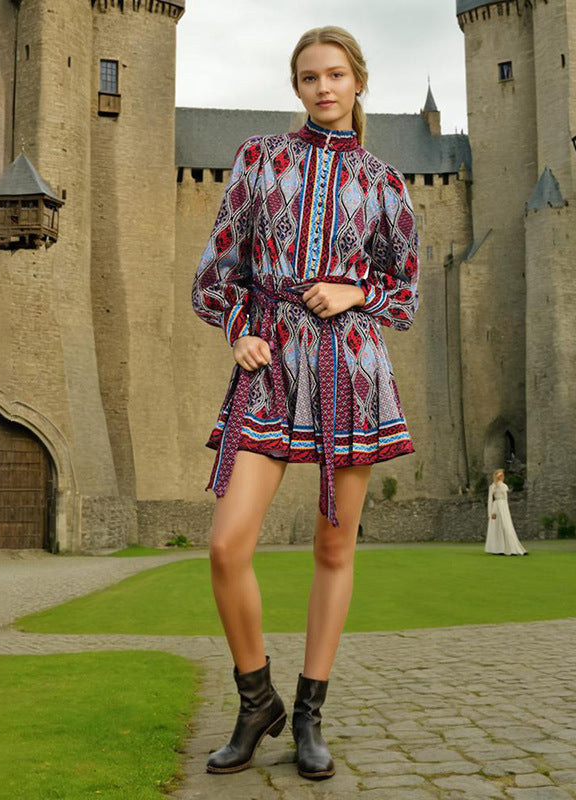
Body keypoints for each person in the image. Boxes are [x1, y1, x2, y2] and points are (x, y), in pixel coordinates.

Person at [191, 26, 419, 781]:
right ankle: (256, 698)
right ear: (296, 88)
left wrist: (357, 290)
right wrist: (238, 333)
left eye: (335, 75)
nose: (323, 88)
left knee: (333, 548)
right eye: (309, 77)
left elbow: (406, 291)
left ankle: (310, 711)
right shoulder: (259, 160)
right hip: (271, 364)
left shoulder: (386, 183)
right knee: (227, 544)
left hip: (350, 369)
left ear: (358, 81)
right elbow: (217, 273)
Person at [485, 469, 528, 556]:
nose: (501, 477)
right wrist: (491, 512)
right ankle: (498, 548)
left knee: (507, 526)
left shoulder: (504, 486)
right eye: (499, 476)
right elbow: (490, 499)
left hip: (503, 507)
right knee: (496, 527)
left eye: (502, 476)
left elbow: (505, 499)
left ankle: (511, 547)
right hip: (496, 506)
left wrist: (506, 509)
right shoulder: (492, 486)